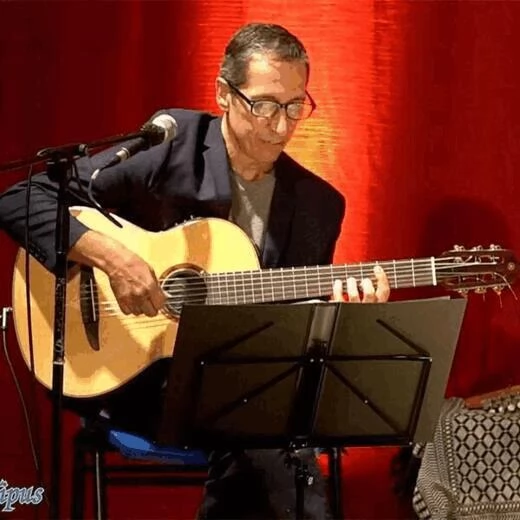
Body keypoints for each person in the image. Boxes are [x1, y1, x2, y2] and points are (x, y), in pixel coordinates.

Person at [0, 23, 390, 519]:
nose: (280, 125)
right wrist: (113, 258)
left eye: (295, 106)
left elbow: (290, 331)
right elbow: (22, 199)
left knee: (266, 416)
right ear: (224, 94)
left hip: (243, 391)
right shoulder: (174, 145)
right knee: (269, 432)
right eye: (265, 105)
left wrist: (341, 317)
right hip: (132, 371)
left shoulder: (318, 205)